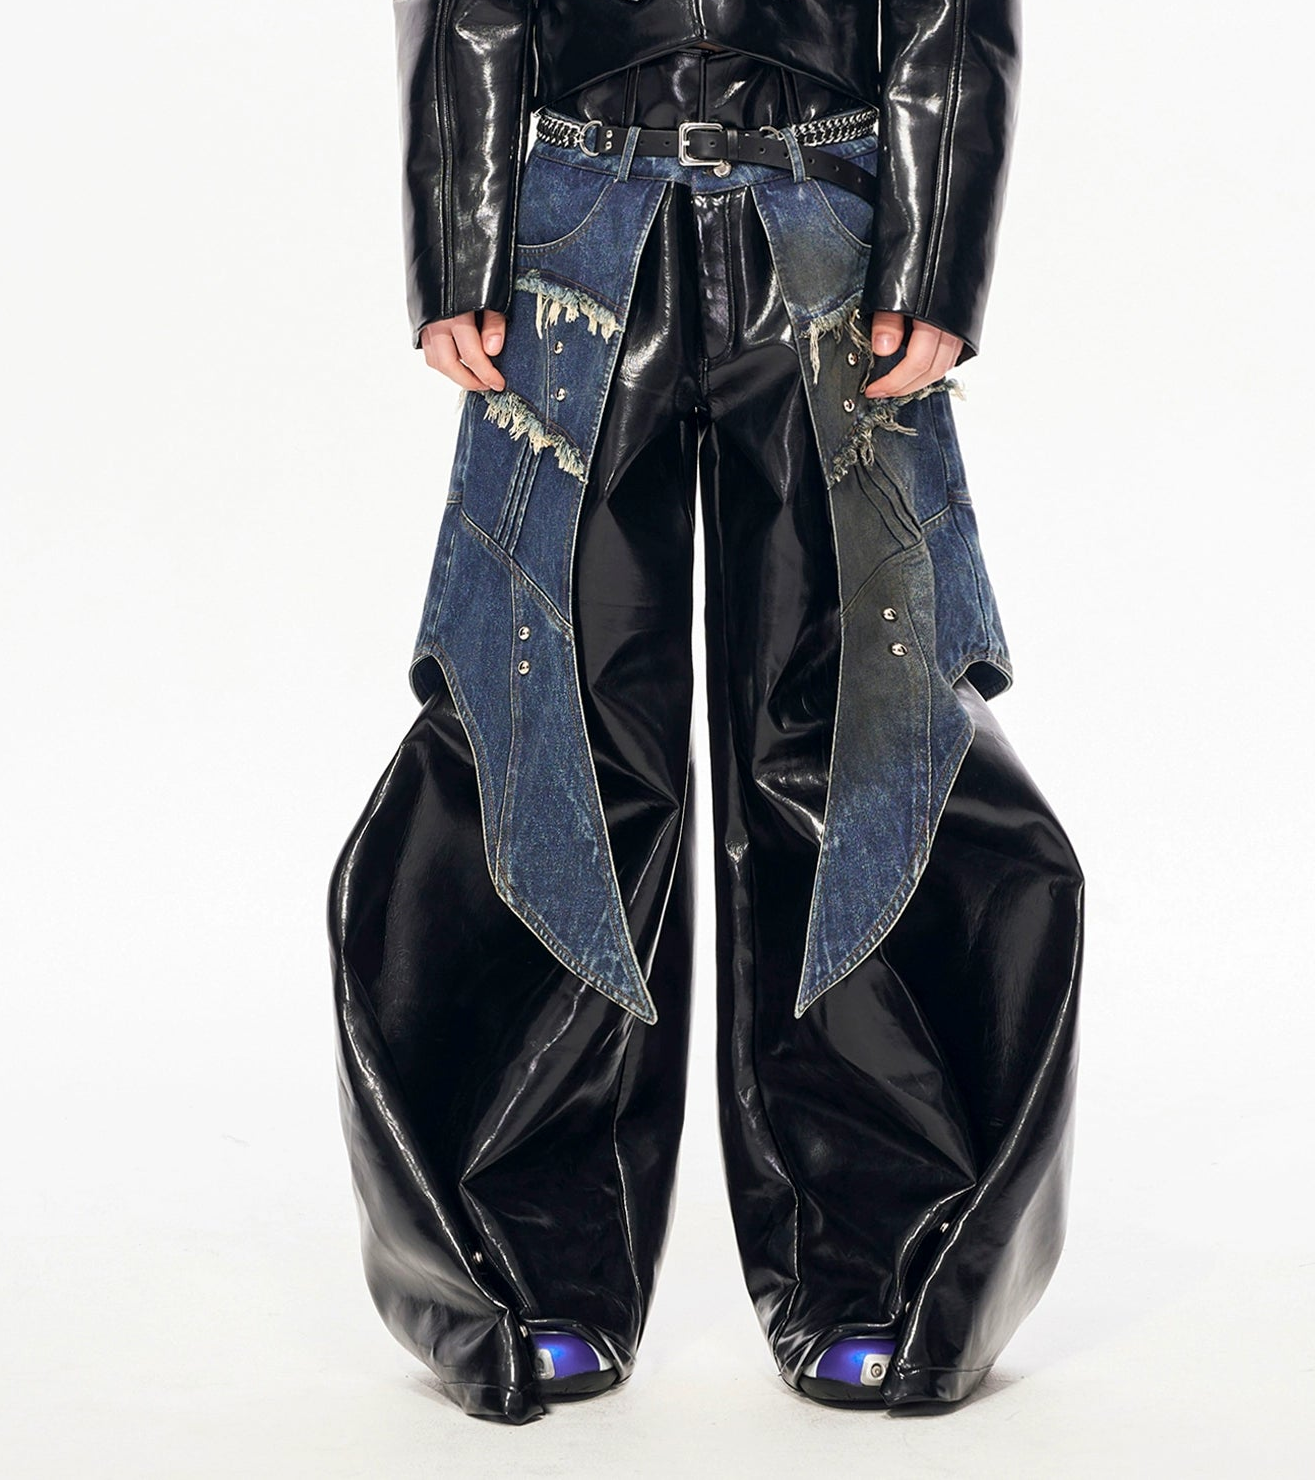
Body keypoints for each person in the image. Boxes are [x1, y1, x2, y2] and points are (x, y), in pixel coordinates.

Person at [329, 1, 1084, 1424]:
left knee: (858, 728)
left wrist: (932, 244)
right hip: (572, 223)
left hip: (831, 216)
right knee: (550, 722)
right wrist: (463, 230)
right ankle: (528, 1252)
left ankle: (882, 1249)